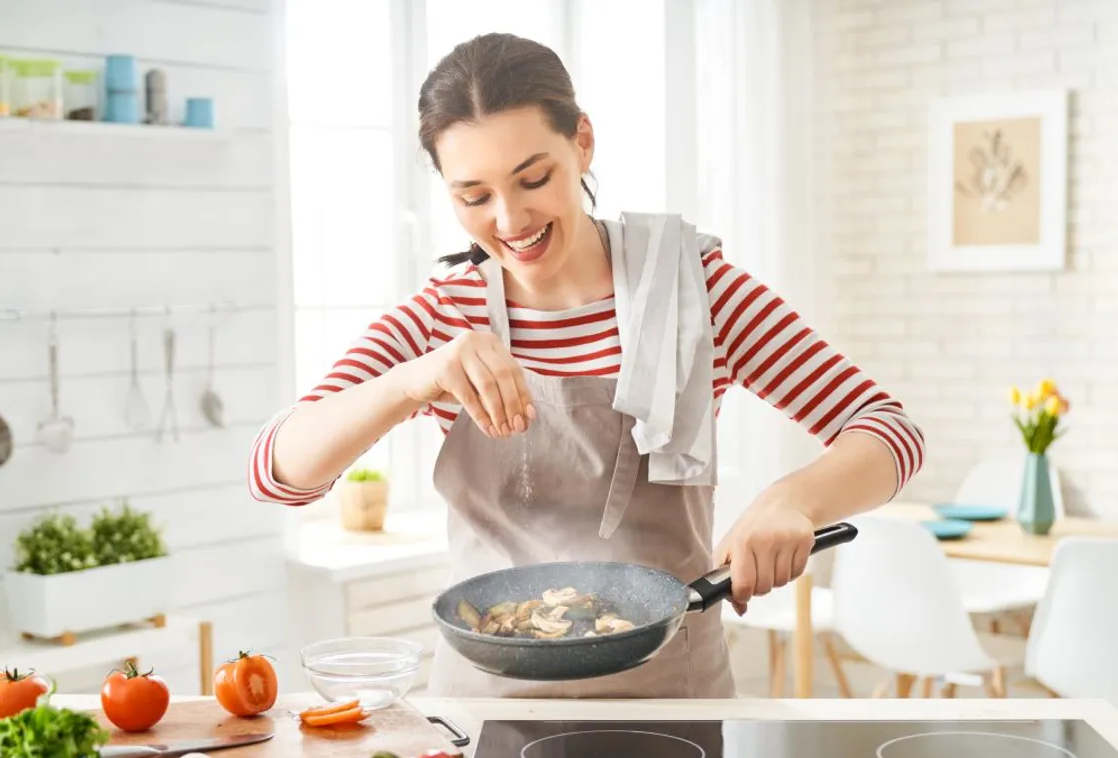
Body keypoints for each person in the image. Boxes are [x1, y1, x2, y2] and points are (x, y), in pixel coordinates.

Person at [248, 33, 925, 698]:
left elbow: (890, 431)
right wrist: (411, 379)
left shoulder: (694, 291)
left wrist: (792, 500)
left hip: (668, 694)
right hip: (486, 702)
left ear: (582, 143)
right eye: (473, 196)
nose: (509, 218)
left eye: (532, 178)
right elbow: (276, 473)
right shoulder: (442, 316)